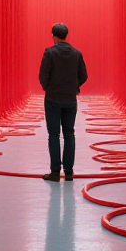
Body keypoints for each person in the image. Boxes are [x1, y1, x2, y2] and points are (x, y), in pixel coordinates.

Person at [39, 23, 87, 182]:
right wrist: (74, 86)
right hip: (70, 99)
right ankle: (68, 172)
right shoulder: (76, 53)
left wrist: (49, 88)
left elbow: (43, 76)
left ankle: (54, 172)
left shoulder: (49, 53)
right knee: (69, 134)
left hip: (52, 99)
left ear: (53, 35)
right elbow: (84, 75)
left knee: (53, 134)